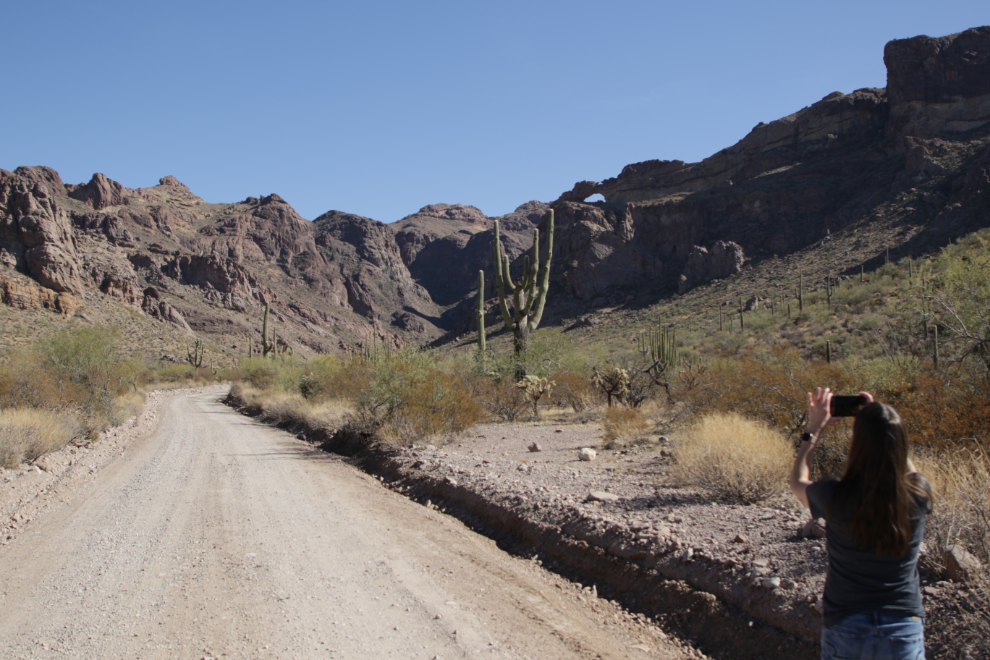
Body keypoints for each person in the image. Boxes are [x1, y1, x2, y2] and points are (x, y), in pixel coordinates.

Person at [789, 387, 932, 660]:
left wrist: (813, 430)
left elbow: (798, 482)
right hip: (903, 627)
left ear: (857, 444)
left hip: (847, 623)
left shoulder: (836, 496)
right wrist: (881, 422)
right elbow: (907, 469)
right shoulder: (918, 496)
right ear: (900, 444)